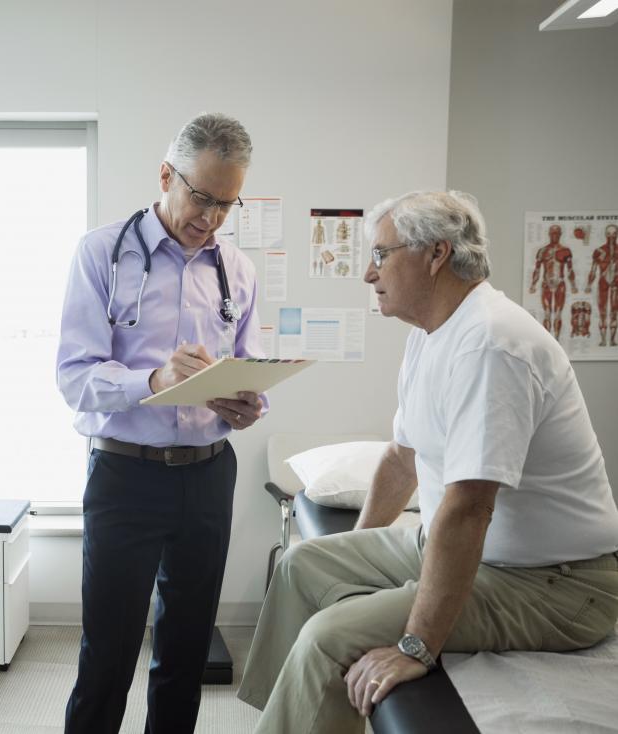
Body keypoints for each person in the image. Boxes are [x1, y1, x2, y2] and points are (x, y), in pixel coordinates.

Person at [236, 190, 618, 734]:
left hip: (552, 584)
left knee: (331, 636)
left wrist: (416, 646)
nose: (369, 274)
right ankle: (289, 714)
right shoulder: (432, 333)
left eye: (381, 255)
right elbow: (400, 459)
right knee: (303, 564)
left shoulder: (491, 344)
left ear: (436, 254)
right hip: (464, 549)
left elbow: (469, 509)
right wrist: (356, 553)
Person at [57, 112, 266, 734]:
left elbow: (249, 364)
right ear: (166, 174)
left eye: (228, 204)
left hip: (208, 475)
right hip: (126, 474)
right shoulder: (102, 253)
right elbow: (74, 375)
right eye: (202, 197)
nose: (211, 218)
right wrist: (152, 382)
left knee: (185, 653)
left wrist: (250, 403)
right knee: (109, 654)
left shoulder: (239, 269)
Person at [528, 224, 577, 338]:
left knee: (558, 313)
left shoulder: (565, 251)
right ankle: (548, 340)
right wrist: (533, 284)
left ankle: (557, 340)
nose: (554, 236)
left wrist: (573, 285)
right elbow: (537, 269)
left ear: (560, 234)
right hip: (546, 284)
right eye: (552, 233)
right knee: (547, 314)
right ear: (549, 234)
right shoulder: (542, 251)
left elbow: (570, 270)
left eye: (557, 233)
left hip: (560, 284)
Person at [586, 223, 618, 346]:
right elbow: (593, 270)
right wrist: (589, 284)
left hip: (616, 283)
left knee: (614, 312)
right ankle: (604, 339)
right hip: (603, 283)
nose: (611, 237)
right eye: (609, 234)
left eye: (614, 234)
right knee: (603, 312)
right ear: (605, 235)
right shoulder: (599, 251)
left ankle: (613, 340)